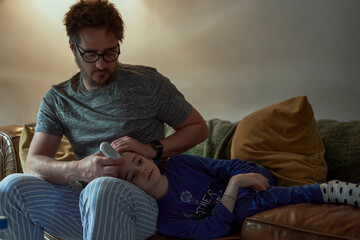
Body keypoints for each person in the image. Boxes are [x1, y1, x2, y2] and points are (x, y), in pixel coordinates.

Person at [0, 1, 208, 240]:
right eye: (90, 54)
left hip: (144, 203)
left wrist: (152, 149)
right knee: (11, 186)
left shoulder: (147, 82)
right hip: (85, 199)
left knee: (102, 188)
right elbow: (35, 164)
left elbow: (197, 128)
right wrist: (80, 169)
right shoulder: (57, 99)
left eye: (110, 52)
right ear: (73, 47)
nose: (101, 64)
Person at [116, 151, 360, 240]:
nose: (141, 170)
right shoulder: (166, 221)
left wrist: (238, 180)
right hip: (240, 193)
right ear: (132, 189)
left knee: (243, 208)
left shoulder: (180, 163)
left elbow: (230, 167)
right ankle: (327, 190)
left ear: (148, 156)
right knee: (242, 210)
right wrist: (232, 187)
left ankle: (330, 191)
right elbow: (212, 230)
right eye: (132, 176)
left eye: (139, 161)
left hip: (252, 177)